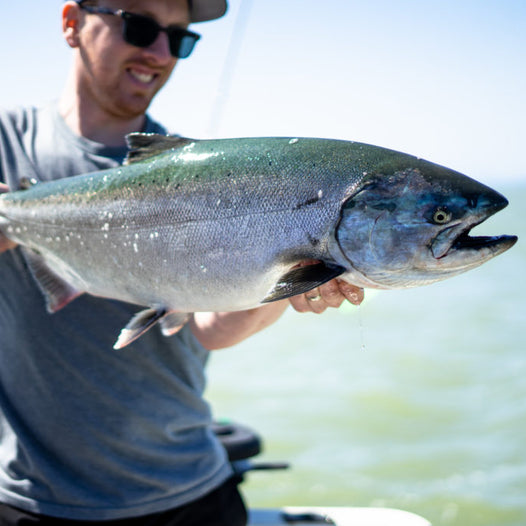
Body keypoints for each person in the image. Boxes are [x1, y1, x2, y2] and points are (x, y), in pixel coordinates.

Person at [0, 1, 364, 524]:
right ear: (72, 24)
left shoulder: (196, 173)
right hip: (35, 500)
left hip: (190, 491)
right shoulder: (8, 142)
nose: (159, 52)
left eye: (179, 38)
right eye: (141, 26)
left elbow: (212, 330)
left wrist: (291, 283)